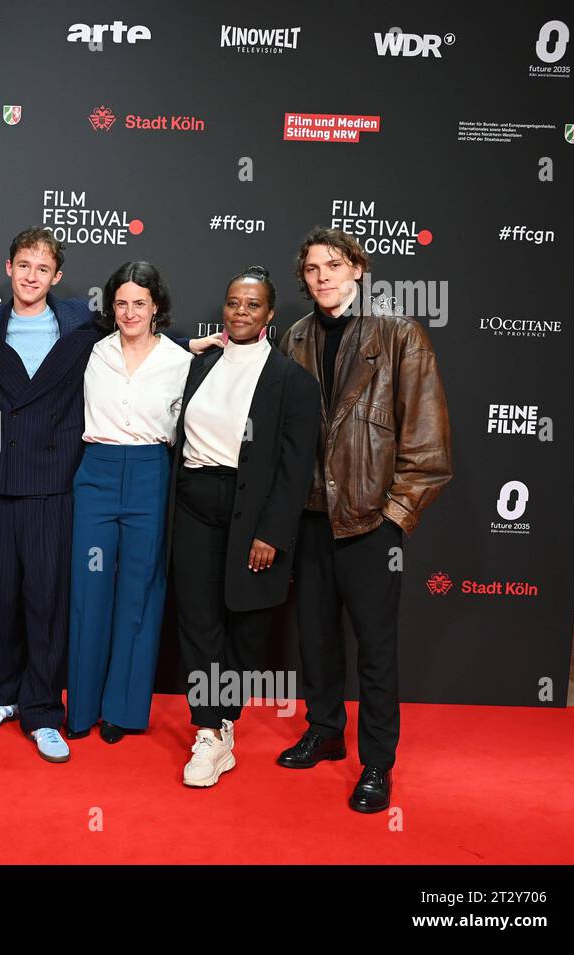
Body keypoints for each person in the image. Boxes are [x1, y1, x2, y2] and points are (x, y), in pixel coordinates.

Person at [0, 227, 217, 764]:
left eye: (43, 268)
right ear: (8, 268)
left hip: (86, 476)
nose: (129, 311)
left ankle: (59, 709)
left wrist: (195, 343)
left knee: (71, 599)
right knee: (22, 596)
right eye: (23, 265)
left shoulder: (81, 328)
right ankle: (16, 698)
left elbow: (168, 351)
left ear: (56, 277)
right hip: (31, 475)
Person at [276, 228, 452, 813]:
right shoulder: (294, 338)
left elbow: (427, 448)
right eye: (312, 269)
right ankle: (325, 731)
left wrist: (393, 519)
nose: (323, 276)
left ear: (357, 268)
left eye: (334, 264)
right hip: (309, 518)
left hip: (370, 523)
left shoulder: (400, 334)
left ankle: (377, 762)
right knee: (316, 639)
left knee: (375, 648)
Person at [169, 266, 319, 787]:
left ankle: (224, 719)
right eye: (233, 302)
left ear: (269, 315)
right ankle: (207, 732)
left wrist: (272, 533)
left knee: (247, 624)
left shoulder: (292, 381)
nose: (240, 312)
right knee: (197, 621)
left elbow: (295, 466)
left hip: (251, 513)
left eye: (252, 305)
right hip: (192, 504)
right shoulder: (198, 366)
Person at [65, 262, 192, 744]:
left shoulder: (180, 361)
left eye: (140, 302)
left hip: (150, 474)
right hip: (95, 471)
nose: (130, 311)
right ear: (110, 306)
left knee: (140, 592)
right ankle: (80, 709)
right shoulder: (90, 351)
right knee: (88, 590)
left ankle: (122, 709)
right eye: (121, 302)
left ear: (156, 305)